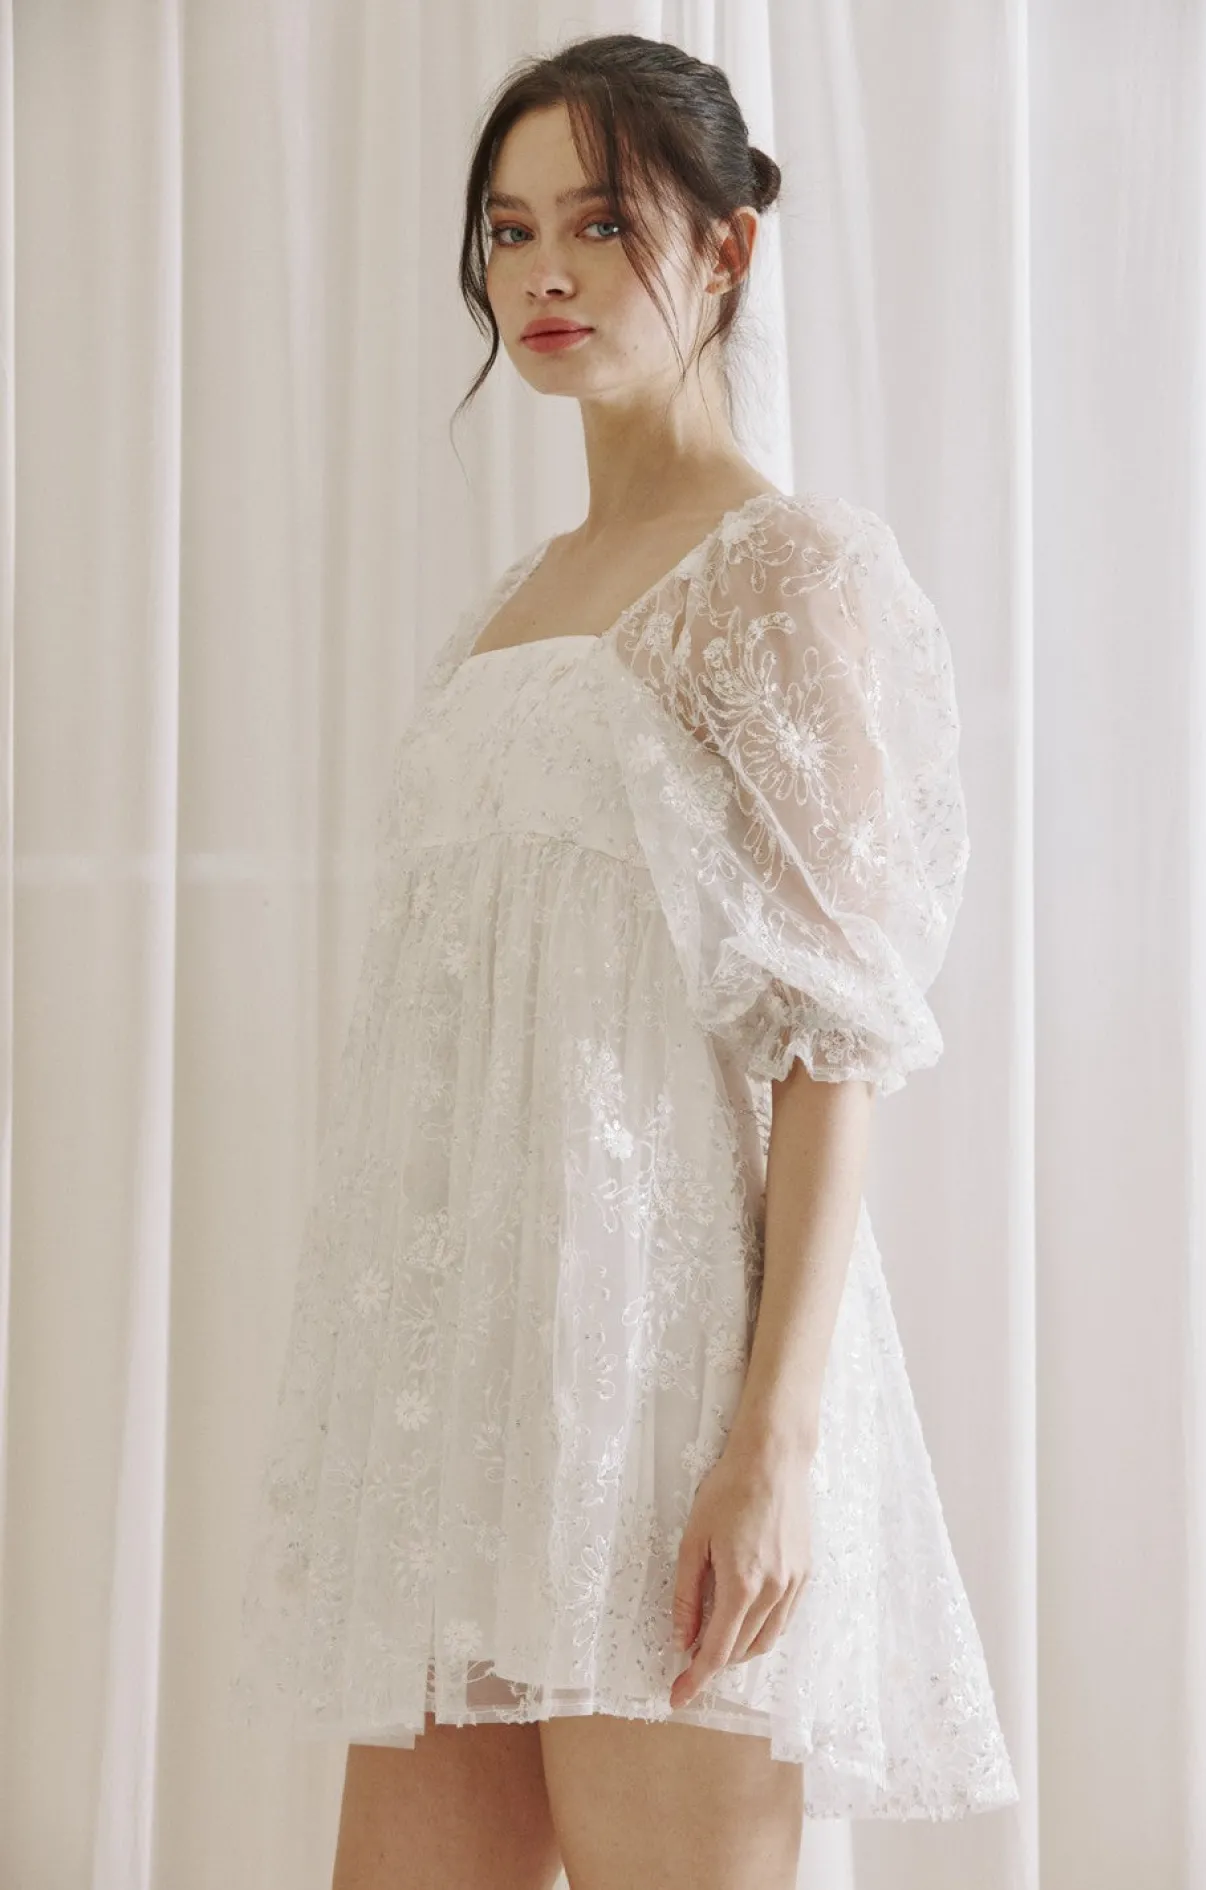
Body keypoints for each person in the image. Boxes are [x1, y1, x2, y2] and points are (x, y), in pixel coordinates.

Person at [227, 30, 1019, 1890]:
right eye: (510, 232)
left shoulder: (785, 576)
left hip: (663, 1391)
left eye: (600, 223)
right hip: (461, 1397)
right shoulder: (502, 608)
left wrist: (772, 1448)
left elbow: (839, 1041)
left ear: (727, 248)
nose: (546, 273)